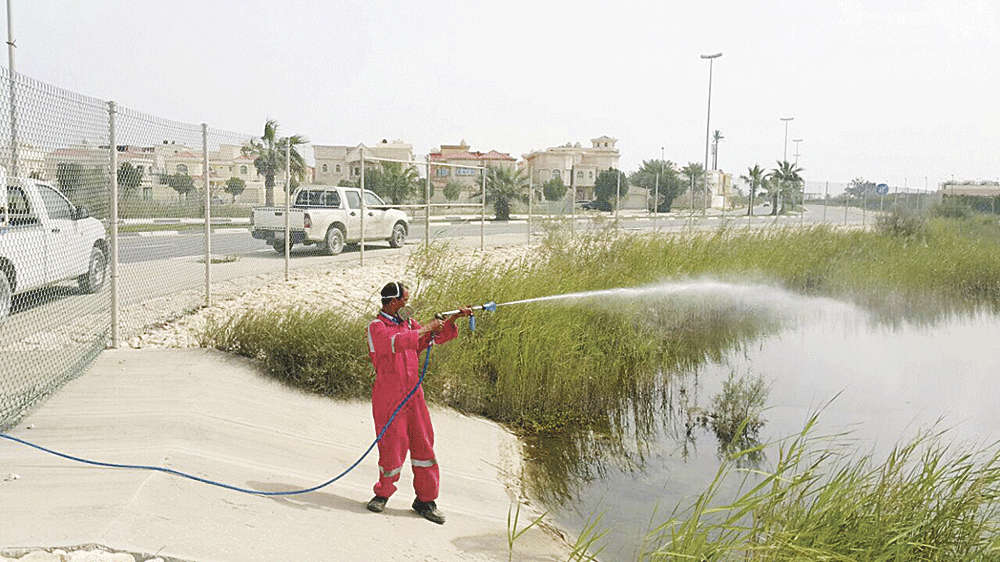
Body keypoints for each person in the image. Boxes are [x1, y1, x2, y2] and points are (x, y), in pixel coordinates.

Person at [365, 281, 471, 524]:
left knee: (424, 446)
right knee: (392, 446)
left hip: (414, 395)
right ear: (393, 302)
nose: (407, 305)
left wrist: (452, 320)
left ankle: (425, 500)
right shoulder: (377, 327)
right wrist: (424, 330)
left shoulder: (409, 325)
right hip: (389, 397)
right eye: (404, 301)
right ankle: (382, 494)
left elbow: (426, 340)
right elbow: (395, 343)